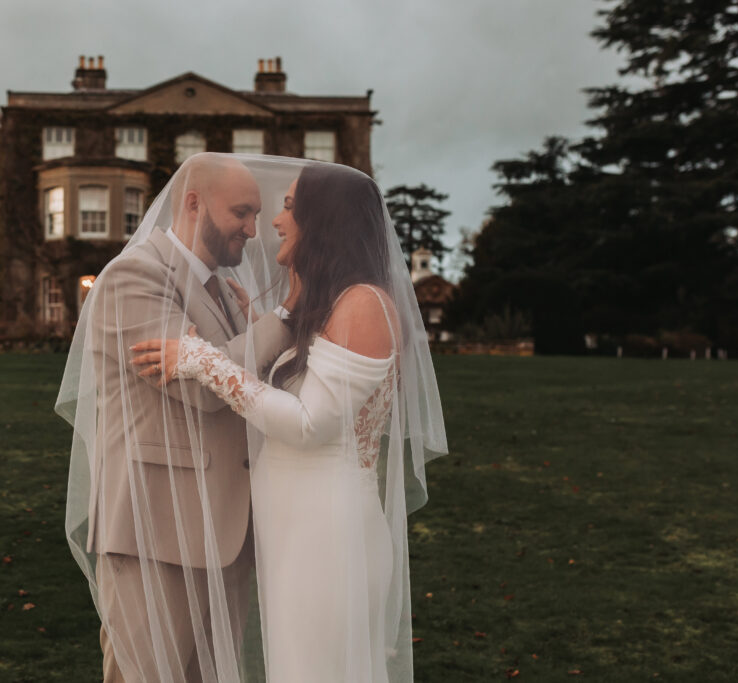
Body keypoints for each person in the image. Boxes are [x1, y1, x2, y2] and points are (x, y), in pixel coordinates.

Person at [130, 160, 449, 682]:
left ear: (323, 220)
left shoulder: (365, 304)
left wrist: (202, 361)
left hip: (328, 537)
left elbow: (308, 424)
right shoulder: (337, 305)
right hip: (298, 532)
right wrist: (268, 322)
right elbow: (310, 382)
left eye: (287, 206)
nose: (275, 221)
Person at [55, 153, 294, 682]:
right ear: (193, 203)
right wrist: (285, 319)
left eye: (257, 215)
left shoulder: (223, 289)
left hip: (226, 530)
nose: (254, 231)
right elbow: (204, 389)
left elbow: (248, 380)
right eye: (241, 213)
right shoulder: (132, 277)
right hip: (154, 529)